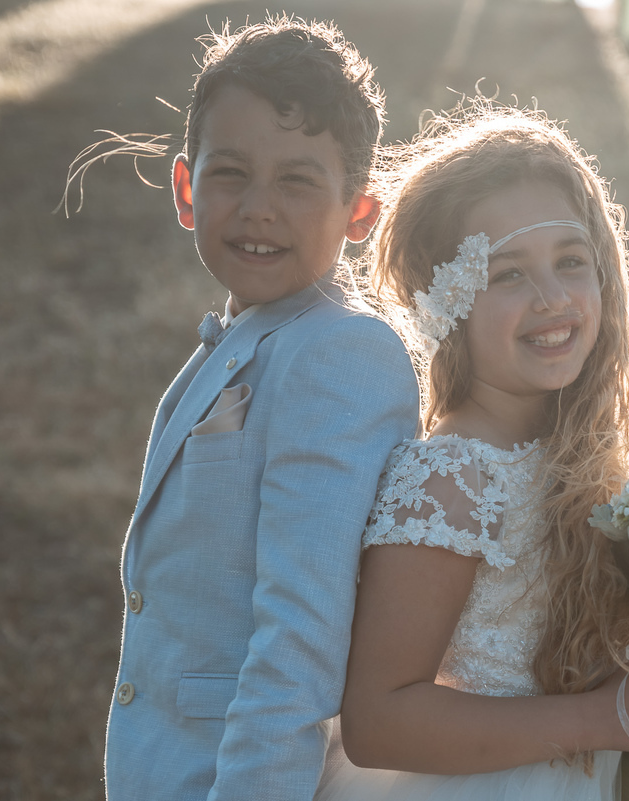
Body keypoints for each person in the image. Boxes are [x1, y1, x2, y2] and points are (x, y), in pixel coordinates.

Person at [316, 103, 629, 800]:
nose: (552, 298)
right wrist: (608, 715)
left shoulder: (584, 454)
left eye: (571, 262)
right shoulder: (451, 475)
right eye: (508, 274)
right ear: (448, 301)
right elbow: (377, 719)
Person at [101, 16, 419, 801]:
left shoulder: (341, 354)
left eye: (298, 181)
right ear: (186, 187)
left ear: (359, 213)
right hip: (165, 766)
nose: (259, 208)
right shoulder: (240, 339)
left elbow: (298, 644)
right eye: (231, 173)